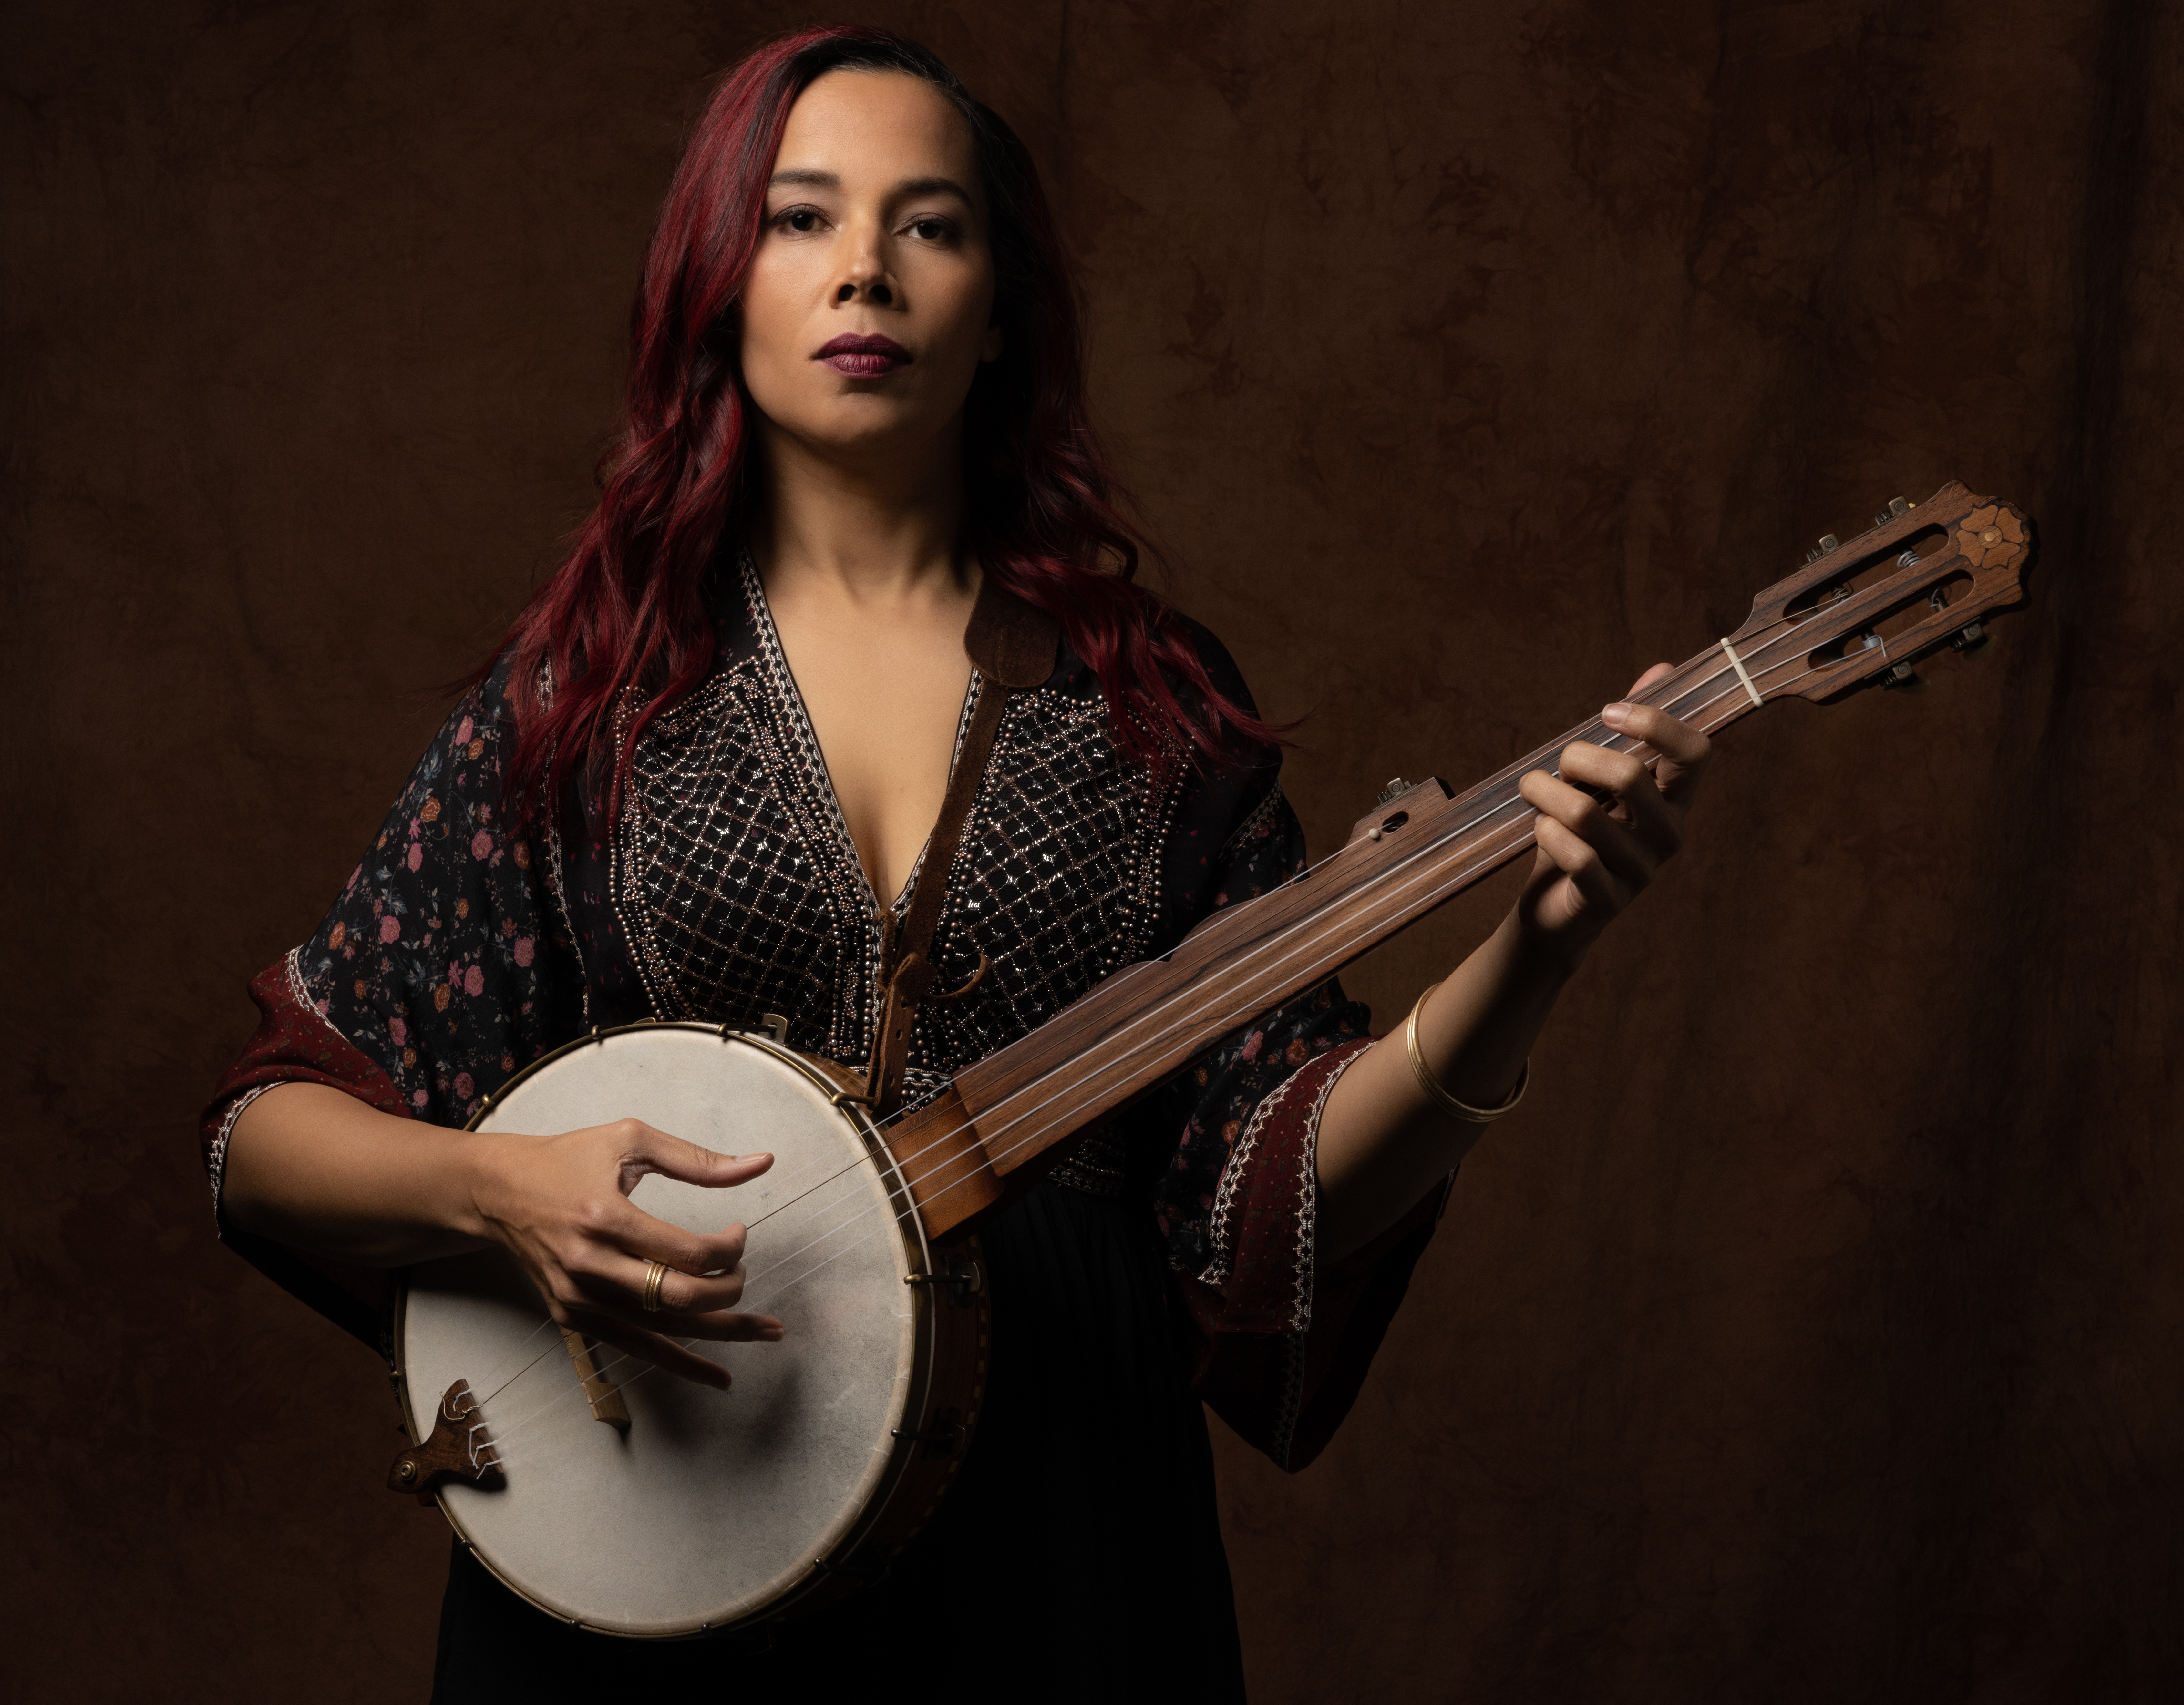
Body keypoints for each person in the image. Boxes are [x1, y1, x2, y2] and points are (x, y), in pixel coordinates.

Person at [201, 25, 1710, 1702]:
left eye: (930, 223)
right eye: (800, 219)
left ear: (1001, 312)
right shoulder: (589, 701)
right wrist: (503, 1191)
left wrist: (1540, 951)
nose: (865, 268)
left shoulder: (1156, 706)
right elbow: (270, 1136)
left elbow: (1267, 1189)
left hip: (1061, 1545)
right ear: (719, 287)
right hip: (659, 1540)